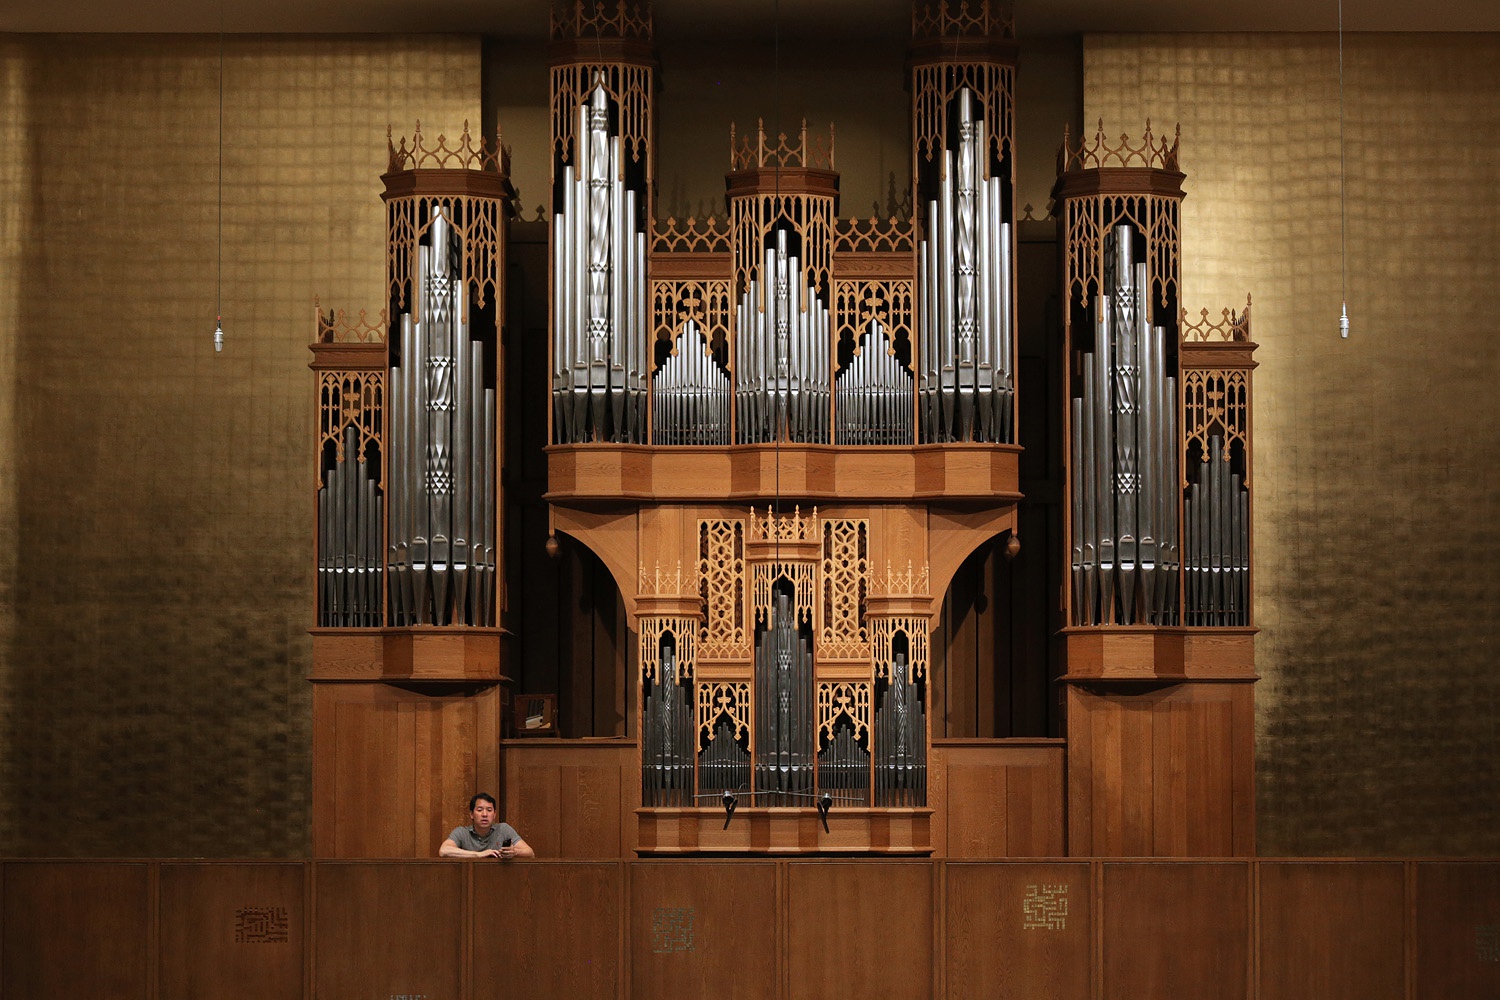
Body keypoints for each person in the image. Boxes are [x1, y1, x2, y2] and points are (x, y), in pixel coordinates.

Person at [439, 792, 534, 859]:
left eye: (489, 810)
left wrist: (514, 852)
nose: (484, 814)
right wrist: (479, 855)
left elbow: (530, 853)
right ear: (471, 814)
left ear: (494, 814)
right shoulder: (462, 832)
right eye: (480, 810)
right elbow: (444, 851)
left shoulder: (504, 829)